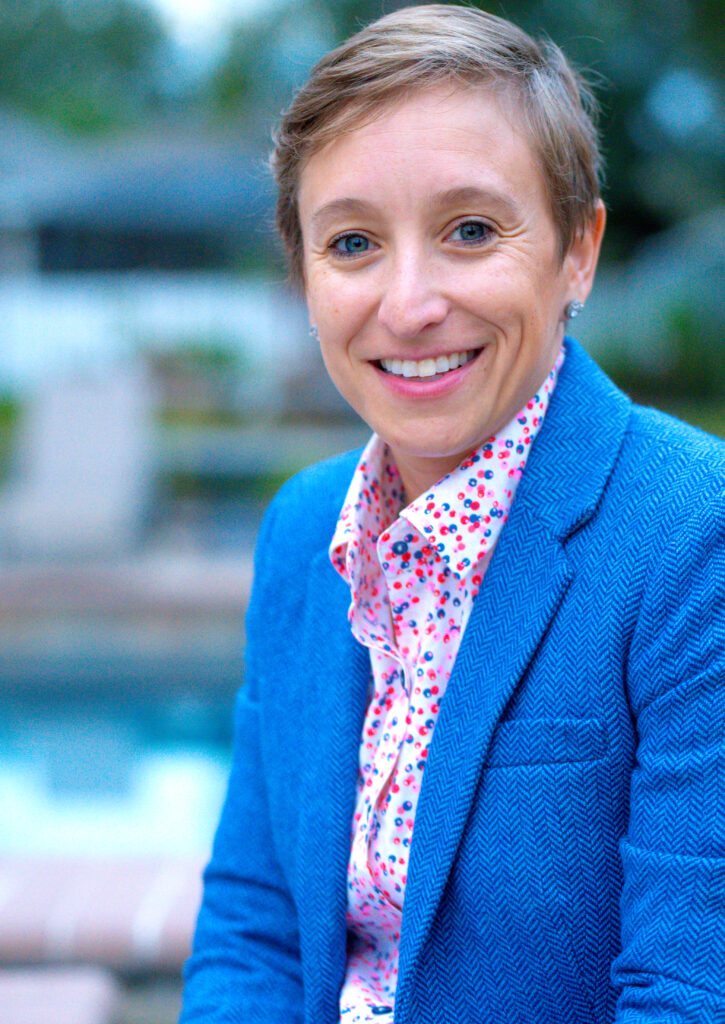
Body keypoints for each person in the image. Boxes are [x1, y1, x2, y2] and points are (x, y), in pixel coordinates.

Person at [180, 6, 725, 1023]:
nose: (409, 301)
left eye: (469, 230)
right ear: (302, 276)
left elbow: (691, 993)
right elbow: (251, 925)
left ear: (576, 250)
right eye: (350, 243)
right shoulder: (301, 533)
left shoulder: (693, 533)